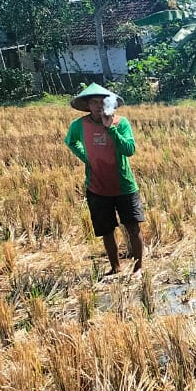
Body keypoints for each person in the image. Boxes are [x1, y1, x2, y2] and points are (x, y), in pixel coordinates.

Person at [65, 82, 145, 276]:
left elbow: (129, 150)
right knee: (106, 230)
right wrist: (86, 157)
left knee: (133, 227)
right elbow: (70, 141)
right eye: (94, 102)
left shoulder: (121, 123)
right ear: (87, 105)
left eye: (103, 102)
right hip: (97, 187)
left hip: (124, 185)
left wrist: (111, 129)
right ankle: (115, 267)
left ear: (110, 104)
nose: (99, 106)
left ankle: (138, 267)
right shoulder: (79, 125)